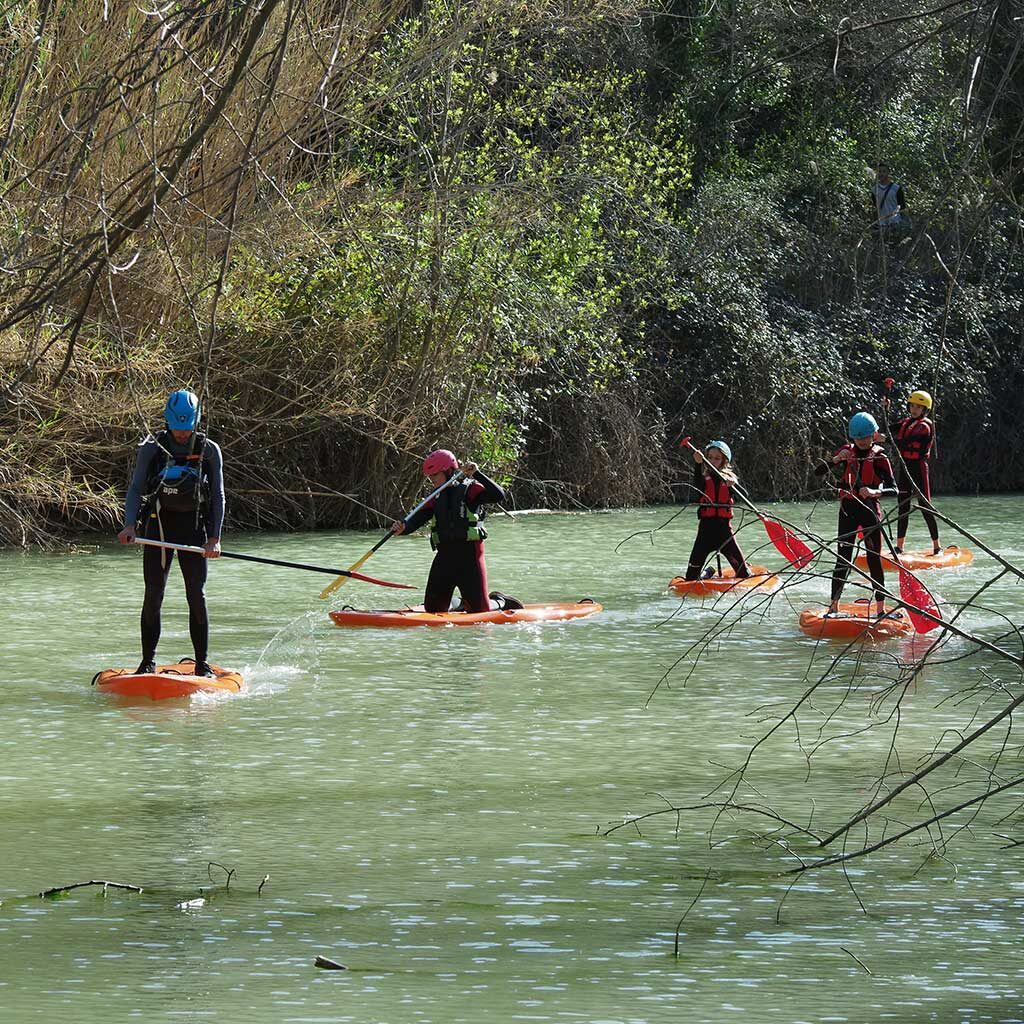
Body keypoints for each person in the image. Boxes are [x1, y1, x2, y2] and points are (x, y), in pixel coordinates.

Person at [117, 390, 224, 676]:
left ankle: (202, 663)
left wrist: (214, 539)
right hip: (158, 528)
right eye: (176, 427)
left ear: (196, 422)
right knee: (153, 594)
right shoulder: (152, 447)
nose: (180, 433)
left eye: (186, 427)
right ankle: (147, 662)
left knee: (196, 595)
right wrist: (130, 525)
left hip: (194, 530)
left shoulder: (209, 449)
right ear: (167, 421)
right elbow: (137, 488)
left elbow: (218, 496)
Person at [390, 450, 516, 613]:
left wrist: (477, 474)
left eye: (435, 475)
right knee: (433, 609)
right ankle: (461, 602)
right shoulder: (434, 498)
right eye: (430, 476)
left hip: (470, 558)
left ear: (449, 471)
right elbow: (415, 521)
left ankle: (499, 601)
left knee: (480, 610)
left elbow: (498, 495)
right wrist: (402, 529)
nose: (432, 479)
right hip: (444, 559)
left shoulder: (470, 490)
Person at [815, 413, 898, 618]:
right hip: (848, 511)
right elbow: (818, 472)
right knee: (843, 558)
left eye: (865, 437)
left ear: (874, 435)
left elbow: (894, 489)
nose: (861, 441)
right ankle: (834, 606)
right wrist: (835, 460)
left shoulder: (880, 457)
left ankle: (880, 609)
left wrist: (874, 492)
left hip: (869, 510)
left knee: (873, 558)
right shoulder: (846, 452)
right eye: (857, 438)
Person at [882, 388, 940, 555]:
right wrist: (886, 410)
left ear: (924, 410)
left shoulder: (925, 427)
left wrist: (885, 439)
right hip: (905, 466)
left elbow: (906, 442)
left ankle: (937, 546)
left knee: (925, 506)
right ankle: (899, 547)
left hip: (918, 468)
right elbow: (888, 427)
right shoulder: (907, 422)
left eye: (918, 407)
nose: (914, 409)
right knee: (903, 505)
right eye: (912, 406)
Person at [683, 440, 751, 581]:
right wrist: (698, 464)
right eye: (710, 458)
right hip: (705, 533)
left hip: (724, 533)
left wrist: (733, 484)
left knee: (744, 575)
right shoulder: (703, 479)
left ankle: (743, 566)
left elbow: (745, 495)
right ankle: (708, 573)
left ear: (724, 461)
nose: (713, 461)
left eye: (717, 458)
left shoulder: (729, 479)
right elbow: (697, 485)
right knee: (690, 577)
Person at [872, 163, 907, 231]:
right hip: (881, 224)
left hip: (895, 222)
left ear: (888, 173)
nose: (881, 174)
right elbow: (874, 207)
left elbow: (902, 206)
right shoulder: (874, 190)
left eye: (884, 171)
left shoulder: (896, 189)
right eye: (879, 171)